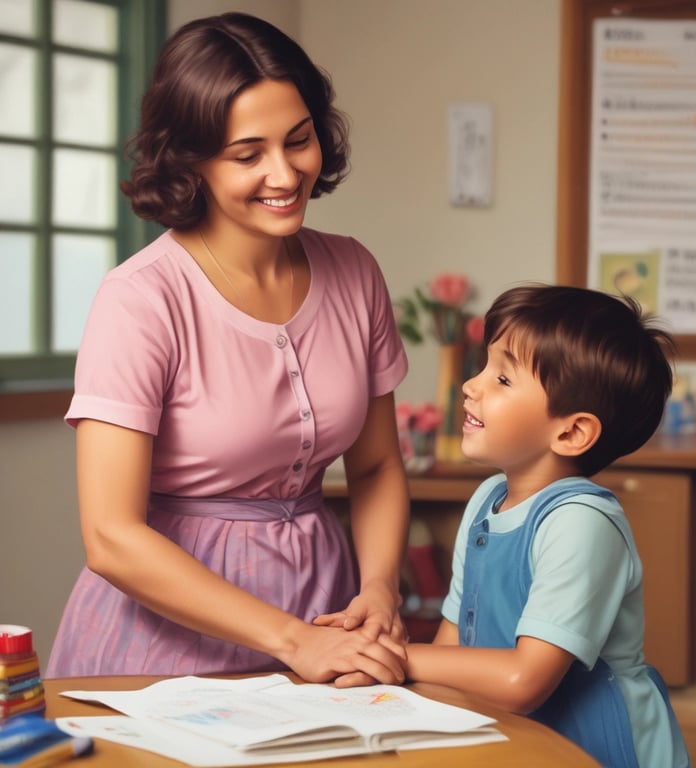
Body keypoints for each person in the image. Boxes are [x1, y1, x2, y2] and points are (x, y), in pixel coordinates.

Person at [47, 12, 410, 687]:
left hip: (325, 607)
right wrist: (291, 640)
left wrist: (381, 590)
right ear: (192, 161)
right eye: (248, 155)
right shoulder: (142, 298)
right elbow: (111, 537)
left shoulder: (355, 271)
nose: (285, 172)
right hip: (166, 636)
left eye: (299, 140)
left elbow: (379, 466)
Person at [404, 285, 691, 768]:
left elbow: (524, 680)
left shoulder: (582, 524)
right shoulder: (486, 500)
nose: (472, 385)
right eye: (483, 366)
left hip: (602, 750)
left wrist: (396, 656)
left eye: (503, 379)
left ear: (572, 432)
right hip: (520, 739)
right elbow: (450, 648)